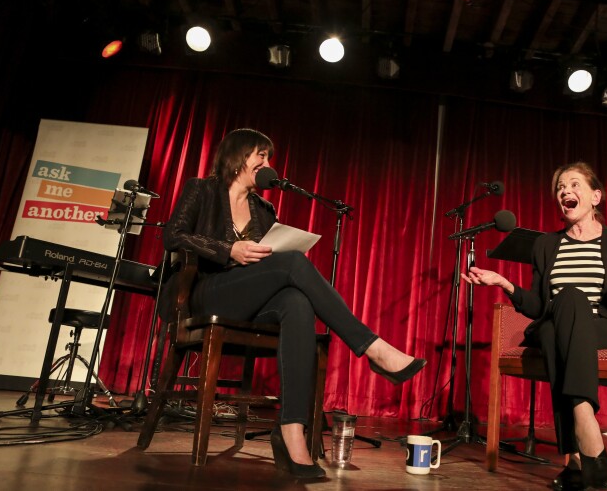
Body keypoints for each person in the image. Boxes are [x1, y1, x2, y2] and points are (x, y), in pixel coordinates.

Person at [162, 128, 426, 479]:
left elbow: (270, 261)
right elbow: (172, 235)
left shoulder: (263, 208)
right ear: (238, 157)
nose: (267, 164)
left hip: (246, 298)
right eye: (261, 155)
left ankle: (291, 433)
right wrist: (230, 250)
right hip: (206, 291)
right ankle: (374, 349)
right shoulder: (202, 189)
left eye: (268, 157)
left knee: (297, 302)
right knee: (295, 264)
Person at [462, 162, 607, 491]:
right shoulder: (545, 245)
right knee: (560, 312)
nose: (565, 191)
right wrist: (505, 283)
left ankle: (576, 459)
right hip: (554, 320)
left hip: (603, 327)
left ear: (595, 197)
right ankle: (587, 429)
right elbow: (540, 306)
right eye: (560, 188)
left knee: (560, 324)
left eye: (574, 185)